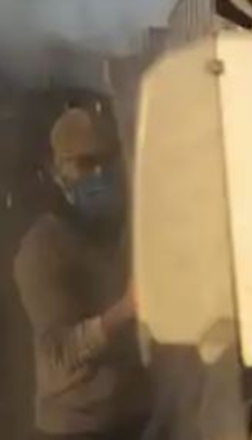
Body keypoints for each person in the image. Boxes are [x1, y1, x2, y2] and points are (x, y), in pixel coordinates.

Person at [14, 108, 150, 440]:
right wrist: (124, 311)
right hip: (75, 427)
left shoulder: (125, 230)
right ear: (59, 173)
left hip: (133, 419)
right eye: (85, 164)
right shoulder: (43, 247)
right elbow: (57, 355)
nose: (100, 172)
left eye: (107, 159)